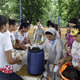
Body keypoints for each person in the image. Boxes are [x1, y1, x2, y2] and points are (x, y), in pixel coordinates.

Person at [0, 15, 23, 80]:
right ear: (3, 26)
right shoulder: (5, 38)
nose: (8, 26)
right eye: (7, 24)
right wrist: (17, 61)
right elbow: (9, 60)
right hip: (5, 71)